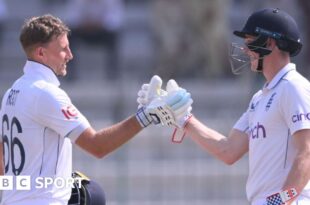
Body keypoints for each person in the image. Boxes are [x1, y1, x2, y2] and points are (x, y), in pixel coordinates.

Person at [0, 14, 191, 205]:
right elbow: (97, 145)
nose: (70, 55)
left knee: (91, 193)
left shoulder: (11, 93)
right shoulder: (46, 93)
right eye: (63, 49)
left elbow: (2, 158)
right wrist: (147, 115)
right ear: (41, 53)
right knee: (92, 194)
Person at [139, 8, 310, 205]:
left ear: (270, 43)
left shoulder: (294, 87)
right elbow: (228, 150)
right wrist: (184, 119)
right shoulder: (259, 98)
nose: (245, 50)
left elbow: (306, 152)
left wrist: (280, 201)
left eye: (250, 42)